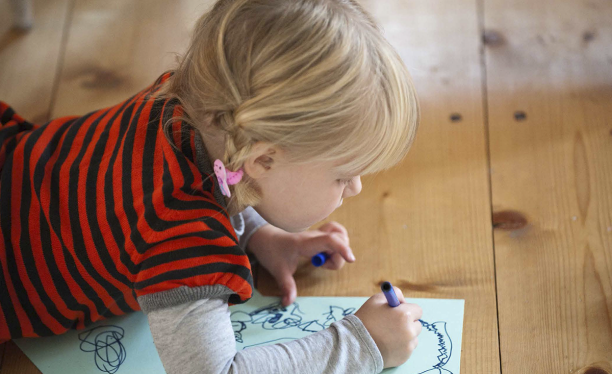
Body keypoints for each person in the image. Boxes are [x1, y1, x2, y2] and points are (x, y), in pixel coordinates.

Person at [0, 0, 423, 372]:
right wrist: (361, 344)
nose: (356, 189)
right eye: (343, 174)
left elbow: (205, 182)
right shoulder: (185, 241)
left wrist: (258, 234)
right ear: (262, 160)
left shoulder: (180, 105)